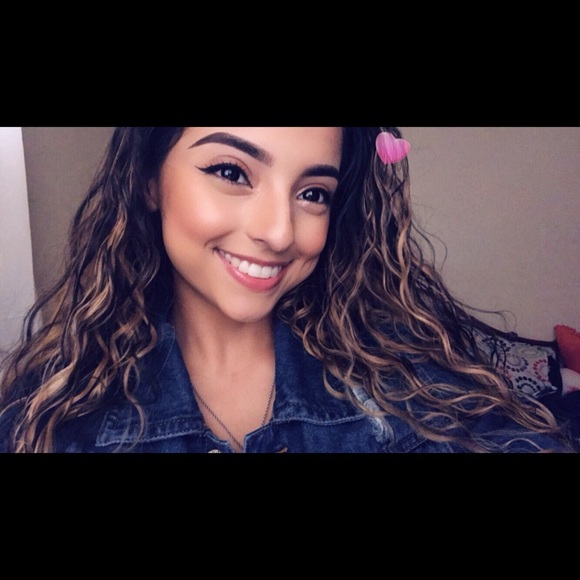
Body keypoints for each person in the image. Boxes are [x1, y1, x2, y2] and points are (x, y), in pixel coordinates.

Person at [0, 127, 576, 453]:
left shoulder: (399, 378)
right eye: (232, 172)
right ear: (150, 180)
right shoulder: (51, 412)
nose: (279, 232)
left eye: (313, 193)